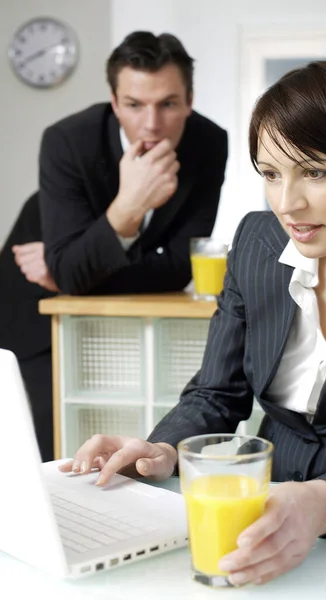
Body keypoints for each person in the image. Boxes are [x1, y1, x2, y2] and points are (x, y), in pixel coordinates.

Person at [60, 57, 326, 585]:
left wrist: (325, 502)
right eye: (271, 174)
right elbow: (217, 392)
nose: (289, 204)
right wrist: (162, 450)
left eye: (316, 171)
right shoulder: (259, 245)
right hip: (258, 523)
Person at [0, 31, 228, 461]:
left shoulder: (209, 143)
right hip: (31, 308)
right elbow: (71, 273)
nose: (152, 124)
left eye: (169, 103)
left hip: (96, 302)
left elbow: (182, 265)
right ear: (114, 100)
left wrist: (74, 272)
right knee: (52, 453)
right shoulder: (67, 141)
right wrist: (127, 208)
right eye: (134, 104)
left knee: (123, 436)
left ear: (190, 99)